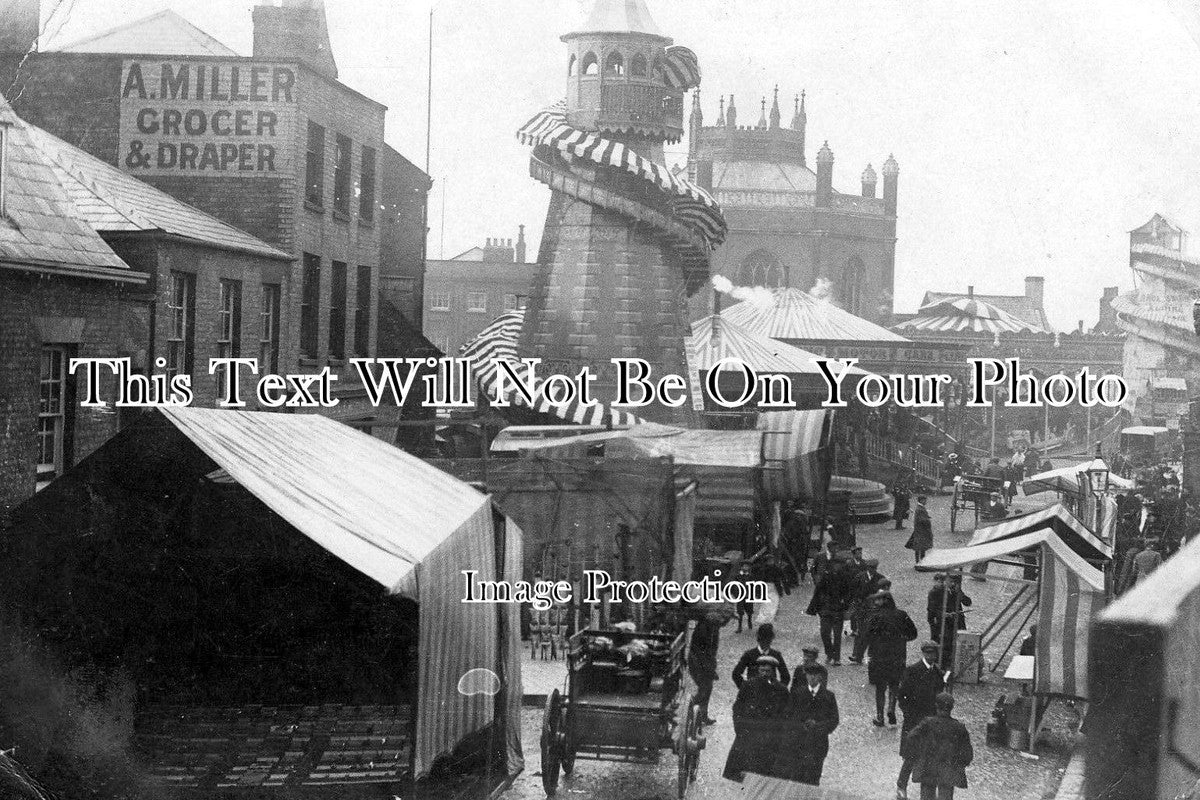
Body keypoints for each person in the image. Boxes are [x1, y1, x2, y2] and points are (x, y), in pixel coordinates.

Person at [723, 655, 789, 782]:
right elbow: (737, 708)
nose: (764, 673)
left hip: (770, 738)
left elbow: (786, 715)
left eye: (768, 671)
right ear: (758, 670)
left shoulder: (781, 690)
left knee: (766, 775)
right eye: (762, 670)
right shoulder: (748, 685)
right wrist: (739, 728)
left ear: (773, 672)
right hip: (748, 735)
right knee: (742, 773)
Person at [773, 662, 840, 786]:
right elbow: (788, 716)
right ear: (806, 676)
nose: (812, 678)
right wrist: (800, 726)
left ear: (820, 677)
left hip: (818, 744)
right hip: (799, 743)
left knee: (814, 777)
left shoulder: (828, 696)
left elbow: (834, 720)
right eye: (809, 675)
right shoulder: (798, 694)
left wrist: (818, 726)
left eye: (815, 675)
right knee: (797, 777)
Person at [896, 642, 947, 800]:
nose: (931, 657)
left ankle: (927, 793)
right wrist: (908, 714)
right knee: (910, 756)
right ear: (924, 654)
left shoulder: (938, 673)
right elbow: (902, 695)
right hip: (914, 721)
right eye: (928, 654)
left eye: (933, 654)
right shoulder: (912, 670)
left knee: (930, 756)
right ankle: (901, 786)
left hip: (932, 721)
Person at [903, 692, 973, 800]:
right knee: (946, 796)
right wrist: (961, 763)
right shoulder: (959, 727)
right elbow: (967, 752)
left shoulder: (927, 723)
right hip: (948, 770)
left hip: (928, 768)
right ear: (951, 708)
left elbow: (911, 736)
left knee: (926, 795)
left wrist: (918, 754)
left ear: (936, 705)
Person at [863, 591, 918, 726]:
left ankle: (880, 717)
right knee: (894, 684)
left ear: (883, 601)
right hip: (897, 656)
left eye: (877, 600)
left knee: (880, 688)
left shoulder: (875, 616)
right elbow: (913, 633)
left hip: (879, 657)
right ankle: (891, 709)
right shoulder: (901, 614)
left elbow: (866, 635)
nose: (875, 603)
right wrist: (902, 639)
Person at [806, 561, 850, 665]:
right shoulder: (825, 578)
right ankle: (830, 653)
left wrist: (846, 605)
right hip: (825, 610)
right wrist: (814, 607)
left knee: (837, 635)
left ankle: (836, 658)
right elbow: (817, 592)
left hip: (838, 609)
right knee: (824, 633)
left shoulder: (844, 578)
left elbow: (848, 593)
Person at [849, 559, 889, 664]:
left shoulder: (880, 578)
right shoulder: (860, 577)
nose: (872, 570)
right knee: (861, 632)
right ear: (867, 568)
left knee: (872, 633)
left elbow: (885, 595)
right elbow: (852, 591)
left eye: (874, 568)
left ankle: (871, 656)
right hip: (862, 609)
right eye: (871, 568)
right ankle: (857, 655)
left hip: (875, 610)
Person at [688, 613, 723, 726]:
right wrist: (709, 669)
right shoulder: (703, 628)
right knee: (704, 689)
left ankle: (703, 715)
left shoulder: (714, 627)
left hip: (707, 662)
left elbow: (712, 649)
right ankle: (689, 710)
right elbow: (699, 650)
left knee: (707, 688)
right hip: (697, 662)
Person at [733, 623, 790, 688]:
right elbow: (736, 674)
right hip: (753, 693)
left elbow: (786, 676)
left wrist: (778, 690)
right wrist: (746, 689)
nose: (765, 644)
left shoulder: (776, 655)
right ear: (759, 640)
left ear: (771, 640)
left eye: (768, 641)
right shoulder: (749, 654)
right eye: (763, 640)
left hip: (770, 693)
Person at [906, 496, 934, 567]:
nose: (926, 502)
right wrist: (927, 520)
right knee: (921, 547)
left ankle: (919, 562)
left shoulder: (919, 508)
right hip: (922, 530)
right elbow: (922, 520)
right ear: (921, 500)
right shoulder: (920, 509)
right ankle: (920, 562)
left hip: (919, 530)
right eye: (925, 500)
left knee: (919, 547)